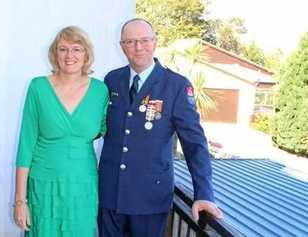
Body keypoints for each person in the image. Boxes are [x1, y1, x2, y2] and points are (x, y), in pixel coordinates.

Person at [98, 18, 223, 237]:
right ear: (122, 46)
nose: (138, 47)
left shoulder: (176, 85)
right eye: (131, 41)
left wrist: (204, 194)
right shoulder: (112, 80)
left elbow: (194, 144)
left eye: (145, 40)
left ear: (155, 42)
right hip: (110, 195)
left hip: (149, 199)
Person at [13, 26, 108, 237]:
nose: (69, 55)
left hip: (82, 184)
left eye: (77, 49)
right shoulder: (38, 87)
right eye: (63, 49)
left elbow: (108, 131)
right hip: (43, 184)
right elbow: (25, 146)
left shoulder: (100, 91)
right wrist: (20, 200)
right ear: (55, 54)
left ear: (86, 54)